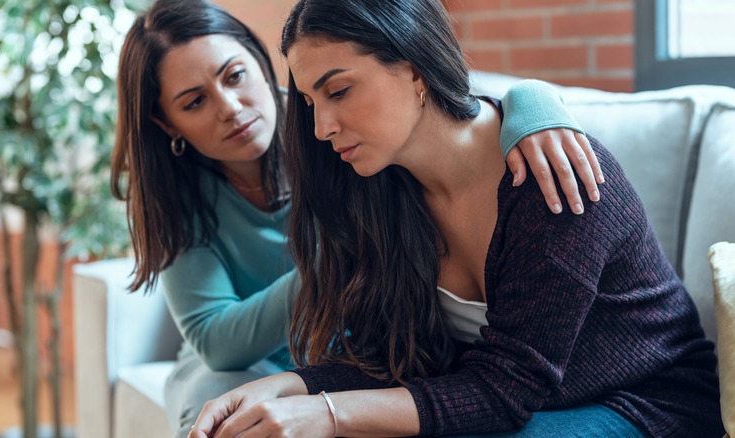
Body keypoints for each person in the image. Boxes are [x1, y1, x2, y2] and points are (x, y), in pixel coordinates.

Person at [187, 0, 725, 437]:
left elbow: (506, 389)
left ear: (415, 69)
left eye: (339, 90)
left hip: (645, 404)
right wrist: (287, 388)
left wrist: (327, 413)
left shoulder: (549, 174)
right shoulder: (384, 191)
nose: (323, 125)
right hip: (526, 404)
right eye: (309, 101)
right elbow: (392, 364)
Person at [110, 0, 603, 436]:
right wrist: (341, 264)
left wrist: (536, 101)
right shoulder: (186, 192)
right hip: (277, 354)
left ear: (260, 65)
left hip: (352, 344)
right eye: (194, 101)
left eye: (235, 76)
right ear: (165, 122)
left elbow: (448, 102)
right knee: (214, 405)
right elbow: (218, 342)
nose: (231, 109)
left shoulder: (347, 138)